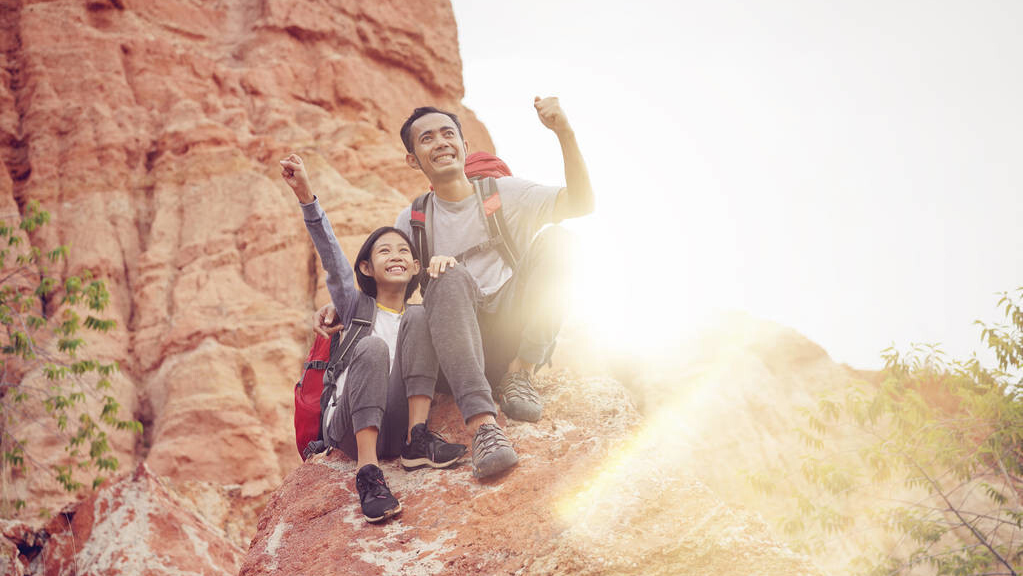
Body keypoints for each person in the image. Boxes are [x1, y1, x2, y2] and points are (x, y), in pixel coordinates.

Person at [316, 96, 594, 479]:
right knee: (445, 276)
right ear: (413, 159)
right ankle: (485, 428)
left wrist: (564, 132)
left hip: (509, 330)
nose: (441, 142)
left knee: (561, 241)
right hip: (455, 349)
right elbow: (390, 282)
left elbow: (581, 203)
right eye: (427, 138)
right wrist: (345, 309)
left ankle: (521, 373)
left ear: (464, 146)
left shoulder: (505, 193)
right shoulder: (412, 219)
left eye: (449, 134)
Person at [280, 153, 467, 523]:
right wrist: (306, 197)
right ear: (366, 267)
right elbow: (332, 260)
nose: (395, 256)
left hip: (395, 424)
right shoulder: (354, 307)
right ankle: (368, 474)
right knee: (372, 346)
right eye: (384, 251)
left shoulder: (421, 318)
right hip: (349, 427)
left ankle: (418, 437)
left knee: (419, 313)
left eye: (403, 252)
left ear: (416, 267)